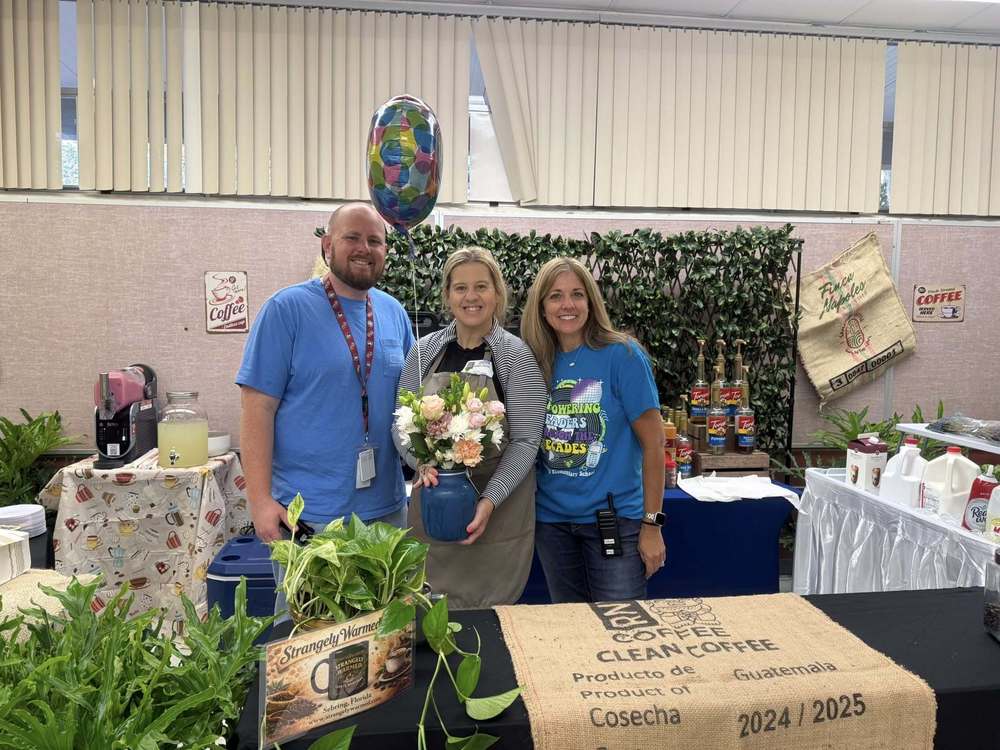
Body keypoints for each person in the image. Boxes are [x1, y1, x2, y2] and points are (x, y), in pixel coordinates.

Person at [236, 202, 414, 544]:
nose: (365, 249)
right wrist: (259, 501)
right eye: (353, 238)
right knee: (307, 601)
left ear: (386, 251)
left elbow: (410, 407)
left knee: (386, 600)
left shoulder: (394, 313)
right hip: (307, 514)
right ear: (327, 246)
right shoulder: (285, 310)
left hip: (386, 513)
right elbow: (257, 408)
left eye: (375, 241)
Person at [395, 246, 547, 609]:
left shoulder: (516, 356)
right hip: (434, 505)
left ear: (497, 293)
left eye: (481, 286)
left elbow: (526, 441)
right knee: (431, 614)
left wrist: (489, 500)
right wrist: (422, 464)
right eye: (460, 288)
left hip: (498, 513)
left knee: (489, 622)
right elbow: (399, 421)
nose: (471, 297)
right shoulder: (423, 351)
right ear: (447, 295)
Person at [521, 256, 666, 603]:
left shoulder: (623, 356)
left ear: (591, 301)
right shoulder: (534, 361)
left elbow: (655, 445)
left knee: (623, 632)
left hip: (614, 523)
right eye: (555, 296)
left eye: (577, 294)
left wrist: (652, 525)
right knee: (573, 637)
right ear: (542, 308)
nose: (567, 305)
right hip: (552, 526)